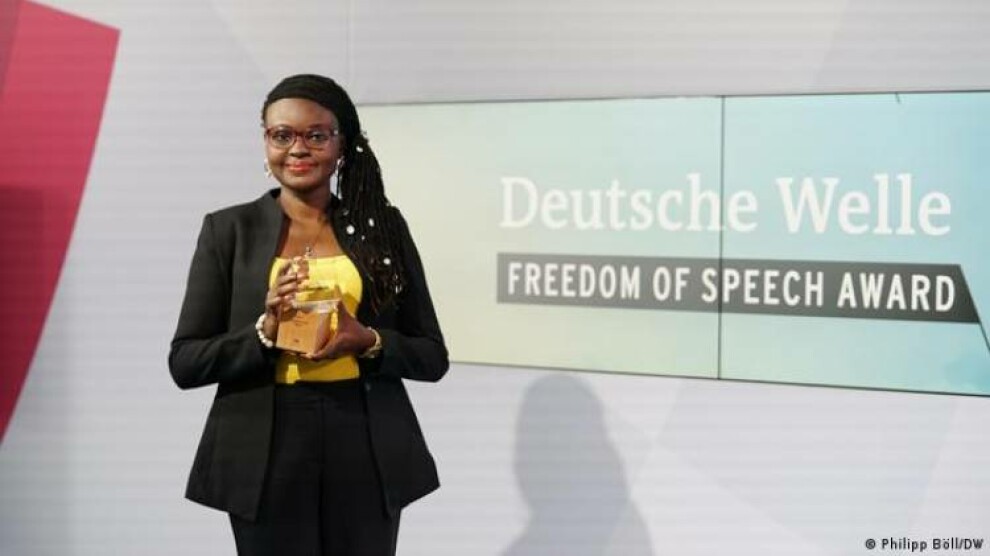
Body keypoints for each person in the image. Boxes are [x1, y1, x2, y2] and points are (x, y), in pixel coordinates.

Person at [168, 74, 448, 556]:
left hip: (364, 440)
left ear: (343, 145)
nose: (297, 149)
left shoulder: (383, 227)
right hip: (265, 447)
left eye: (316, 135)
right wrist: (264, 331)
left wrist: (369, 341)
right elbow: (186, 362)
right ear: (266, 142)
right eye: (282, 135)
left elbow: (432, 355)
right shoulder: (227, 230)